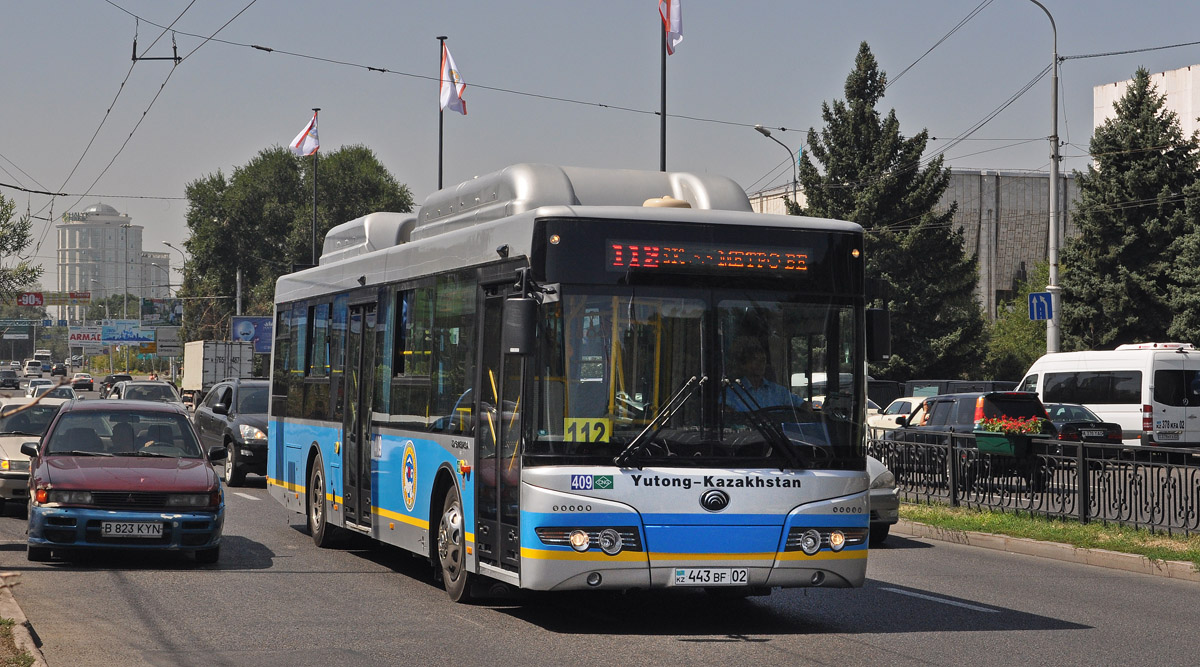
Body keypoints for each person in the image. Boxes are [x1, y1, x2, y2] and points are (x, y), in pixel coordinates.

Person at [724, 337, 811, 412]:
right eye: (755, 360)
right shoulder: (732, 392)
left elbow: (801, 404)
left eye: (763, 360)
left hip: (773, 432)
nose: (760, 364)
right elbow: (724, 412)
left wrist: (806, 407)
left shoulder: (779, 392)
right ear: (744, 365)